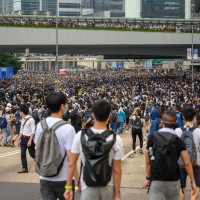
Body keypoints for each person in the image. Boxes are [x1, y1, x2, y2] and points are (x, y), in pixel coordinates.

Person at [64, 100, 123, 200]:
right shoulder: (116, 139)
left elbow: (71, 163)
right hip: (108, 185)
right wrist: (117, 194)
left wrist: (69, 187)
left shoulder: (80, 136)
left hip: (87, 185)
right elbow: (117, 170)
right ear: (109, 116)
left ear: (92, 115)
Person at [144, 110, 197, 200]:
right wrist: (193, 181)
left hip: (156, 178)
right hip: (173, 179)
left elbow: (148, 161)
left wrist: (148, 178)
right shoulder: (178, 140)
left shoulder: (153, 138)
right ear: (175, 123)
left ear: (161, 122)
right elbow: (187, 163)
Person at [34, 92, 77, 200]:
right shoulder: (68, 128)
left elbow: (38, 149)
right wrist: (77, 180)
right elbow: (71, 160)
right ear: (62, 106)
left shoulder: (40, 125)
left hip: (44, 176)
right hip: (63, 178)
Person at [175, 107, 200, 200]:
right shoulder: (198, 131)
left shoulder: (177, 131)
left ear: (183, 118)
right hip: (195, 162)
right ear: (194, 117)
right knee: (197, 186)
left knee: (182, 188)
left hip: (181, 162)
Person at [17, 104, 35, 173]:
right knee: (22, 154)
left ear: (23, 111)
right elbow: (21, 130)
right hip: (23, 139)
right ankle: (24, 168)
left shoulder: (31, 119)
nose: (19, 112)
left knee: (32, 154)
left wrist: (30, 141)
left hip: (28, 139)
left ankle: (41, 164)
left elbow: (33, 131)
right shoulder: (22, 119)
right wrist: (19, 139)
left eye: (20, 111)